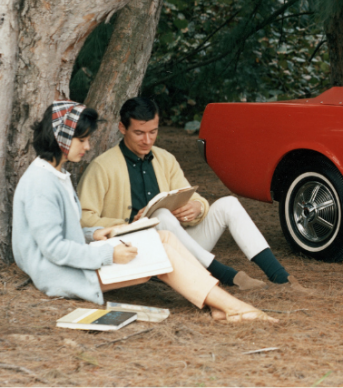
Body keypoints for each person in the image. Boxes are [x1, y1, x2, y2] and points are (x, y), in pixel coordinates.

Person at [12, 101, 275, 323]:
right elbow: (53, 249)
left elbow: (68, 234)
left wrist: (97, 233)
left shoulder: (56, 174)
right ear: (61, 140)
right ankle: (231, 306)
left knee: (165, 240)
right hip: (62, 273)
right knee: (161, 249)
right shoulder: (41, 183)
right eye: (82, 140)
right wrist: (108, 252)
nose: (88, 146)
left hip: (78, 260)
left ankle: (219, 304)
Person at [78, 97, 304, 291]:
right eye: (139, 133)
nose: (147, 140)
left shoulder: (165, 159)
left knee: (229, 204)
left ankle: (280, 276)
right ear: (122, 128)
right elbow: (84, 219)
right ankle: (224, 274)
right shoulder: (102, 167)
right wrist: (127, 223)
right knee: (163, 217)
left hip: (181, 248)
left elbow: (191, 197)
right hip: (135, 252)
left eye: (153, 132)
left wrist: (197, 208)